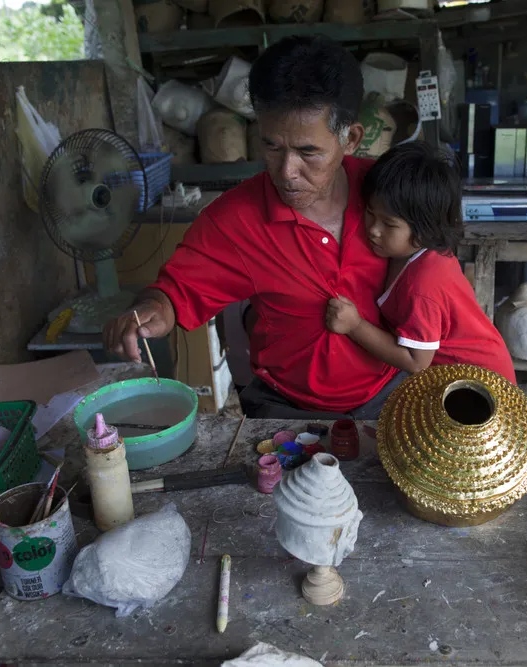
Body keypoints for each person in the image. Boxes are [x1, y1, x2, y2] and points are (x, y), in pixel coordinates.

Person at [102, 36, 405, 418]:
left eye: (308, 152)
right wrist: (152, 311)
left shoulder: (393, 195)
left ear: (351, 138)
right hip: (284, 408)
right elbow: (176, 292)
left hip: (389, 396)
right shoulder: (236, 219)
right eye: (273, 147)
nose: (287, 172)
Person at [324, 143, 516, 384]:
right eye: (370, 213)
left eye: (389, 224)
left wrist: (355, 326)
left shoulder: (424, 285)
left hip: (483, 384)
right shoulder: (409, 253)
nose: (373, 230)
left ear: (425, 230)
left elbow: (416, 361)